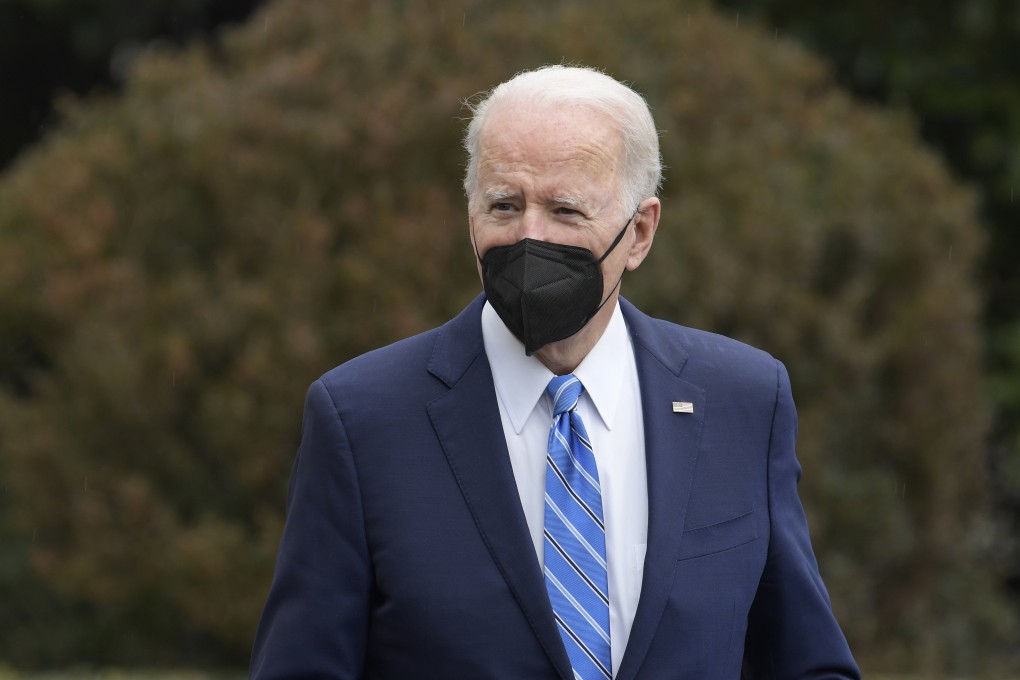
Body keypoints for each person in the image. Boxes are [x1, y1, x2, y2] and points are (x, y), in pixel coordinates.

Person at [250, 65, 860, 679]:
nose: (529, 236)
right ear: (470, 214)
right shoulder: (362, 420)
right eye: (504, 205)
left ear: (640, 232)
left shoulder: (744, 402)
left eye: (565, 210)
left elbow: (808, 663)